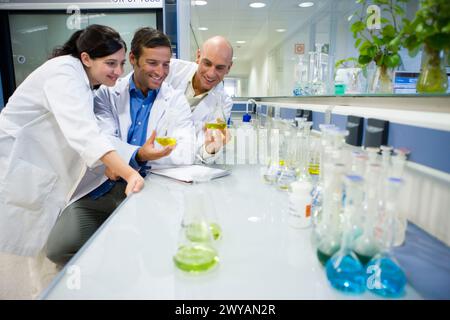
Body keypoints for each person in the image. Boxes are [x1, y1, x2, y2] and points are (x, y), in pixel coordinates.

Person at [45, 27, 194, 265]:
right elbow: (102, 139)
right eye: (153, 63)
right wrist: (138, 154)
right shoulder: (106, 93)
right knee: (58, 248)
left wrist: (142, 158)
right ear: (133, 59)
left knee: (153, 253)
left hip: (150, 186)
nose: (161, 72)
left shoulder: (175, 101)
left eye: (166, 65)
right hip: (106, 185)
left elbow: (186, 152)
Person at [0, 24, 144, 257]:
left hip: (37, 162)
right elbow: (84, 132)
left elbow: (89, 131)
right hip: (15, 159)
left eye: (121, 64)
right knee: (23, 252)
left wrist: (112, 164)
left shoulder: (84, 82)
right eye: (110, 63)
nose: (118, 71)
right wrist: (129, 173)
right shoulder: (64, 73)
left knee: (36, 245)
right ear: (86, 58)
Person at [164, 36, 234, 162]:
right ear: (198, 56)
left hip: (181, 166)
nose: (211, 74)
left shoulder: (223, 103)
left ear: (229, 68)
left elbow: (203, 153)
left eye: (220, 68)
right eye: (207, 63)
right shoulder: (171, 69)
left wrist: (211, 149)